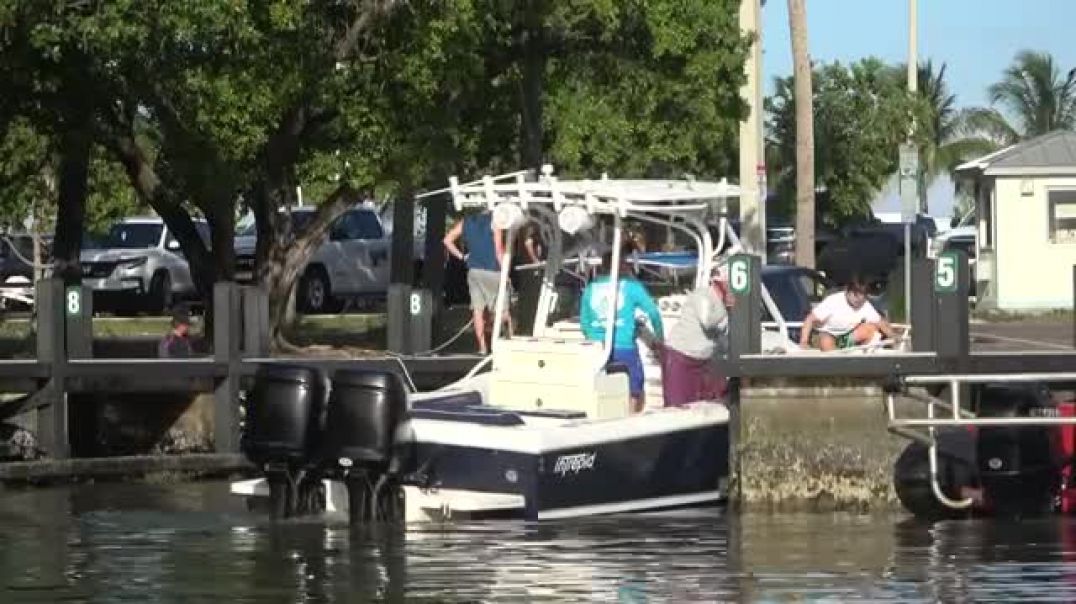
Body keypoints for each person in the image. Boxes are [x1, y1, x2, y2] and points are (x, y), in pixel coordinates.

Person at [579, 243, 664, 413]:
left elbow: (584, 323)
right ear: (622, 265)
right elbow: (654, 313)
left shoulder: (590, 288)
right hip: (624, 346)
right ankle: (631, 418)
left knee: (603, 388)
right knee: (635, 386)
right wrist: (660, 340)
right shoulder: (631, 286)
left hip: (597, 348)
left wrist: (595, 338)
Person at [661, 264, 735, 407]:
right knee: (679, 407)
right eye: (729, 282)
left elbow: (722, 336)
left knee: (717, 400)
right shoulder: (702, 295)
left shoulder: (724, 304)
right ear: (718, 281)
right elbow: (707, 321)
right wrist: (728, 308)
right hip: (681, 357)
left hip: (705, 361)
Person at [443, 209, 512, 355]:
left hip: (474, 270)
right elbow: (498, 250)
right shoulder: (495, 221)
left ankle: (482, 347)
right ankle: (507, 344)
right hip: (493, 270)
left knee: (478, 310)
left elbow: (447, 240)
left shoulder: (466, 222)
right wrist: (506, 272)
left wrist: (463, 257)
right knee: (503, 310)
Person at [799, 277, 896, 351]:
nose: (859, 299)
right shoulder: (833, 301)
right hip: (825, 336)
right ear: (847, 292)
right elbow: (810, 319)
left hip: (844, 340)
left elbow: (879, 322)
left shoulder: (865, 305)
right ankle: (834, 364)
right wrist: (804, 341)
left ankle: (862, 358)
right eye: (856, 295)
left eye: (863, 296)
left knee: (871, 329)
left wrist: (893, 336)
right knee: (826, 339)